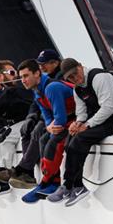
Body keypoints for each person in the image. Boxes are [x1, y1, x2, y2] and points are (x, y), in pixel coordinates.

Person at [46, 58, 113, 206]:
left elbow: (108, 108)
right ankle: (75, 186)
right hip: (102, 121)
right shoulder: (77, 89)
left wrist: (87, 125)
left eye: (75, 73)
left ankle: (70, 186)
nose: (75, 79)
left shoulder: (99, 77)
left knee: (80, 139)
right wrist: (77, 123)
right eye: (70, 78)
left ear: (80, 66)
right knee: (70, 140)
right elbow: (82, 113)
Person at [17, 58, 76, 203]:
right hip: (65, 121)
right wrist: (49, 126)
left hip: (78, 119)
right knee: (43, 139)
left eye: (26, 76)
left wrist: (51, 127)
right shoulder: (37, 92)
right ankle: (52, 182)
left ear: (37, 73)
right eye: (21, 77)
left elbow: (60, 119)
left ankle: (45, 181)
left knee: (53, 142)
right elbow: (47, 116)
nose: (23, 80)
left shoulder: (51, 87)